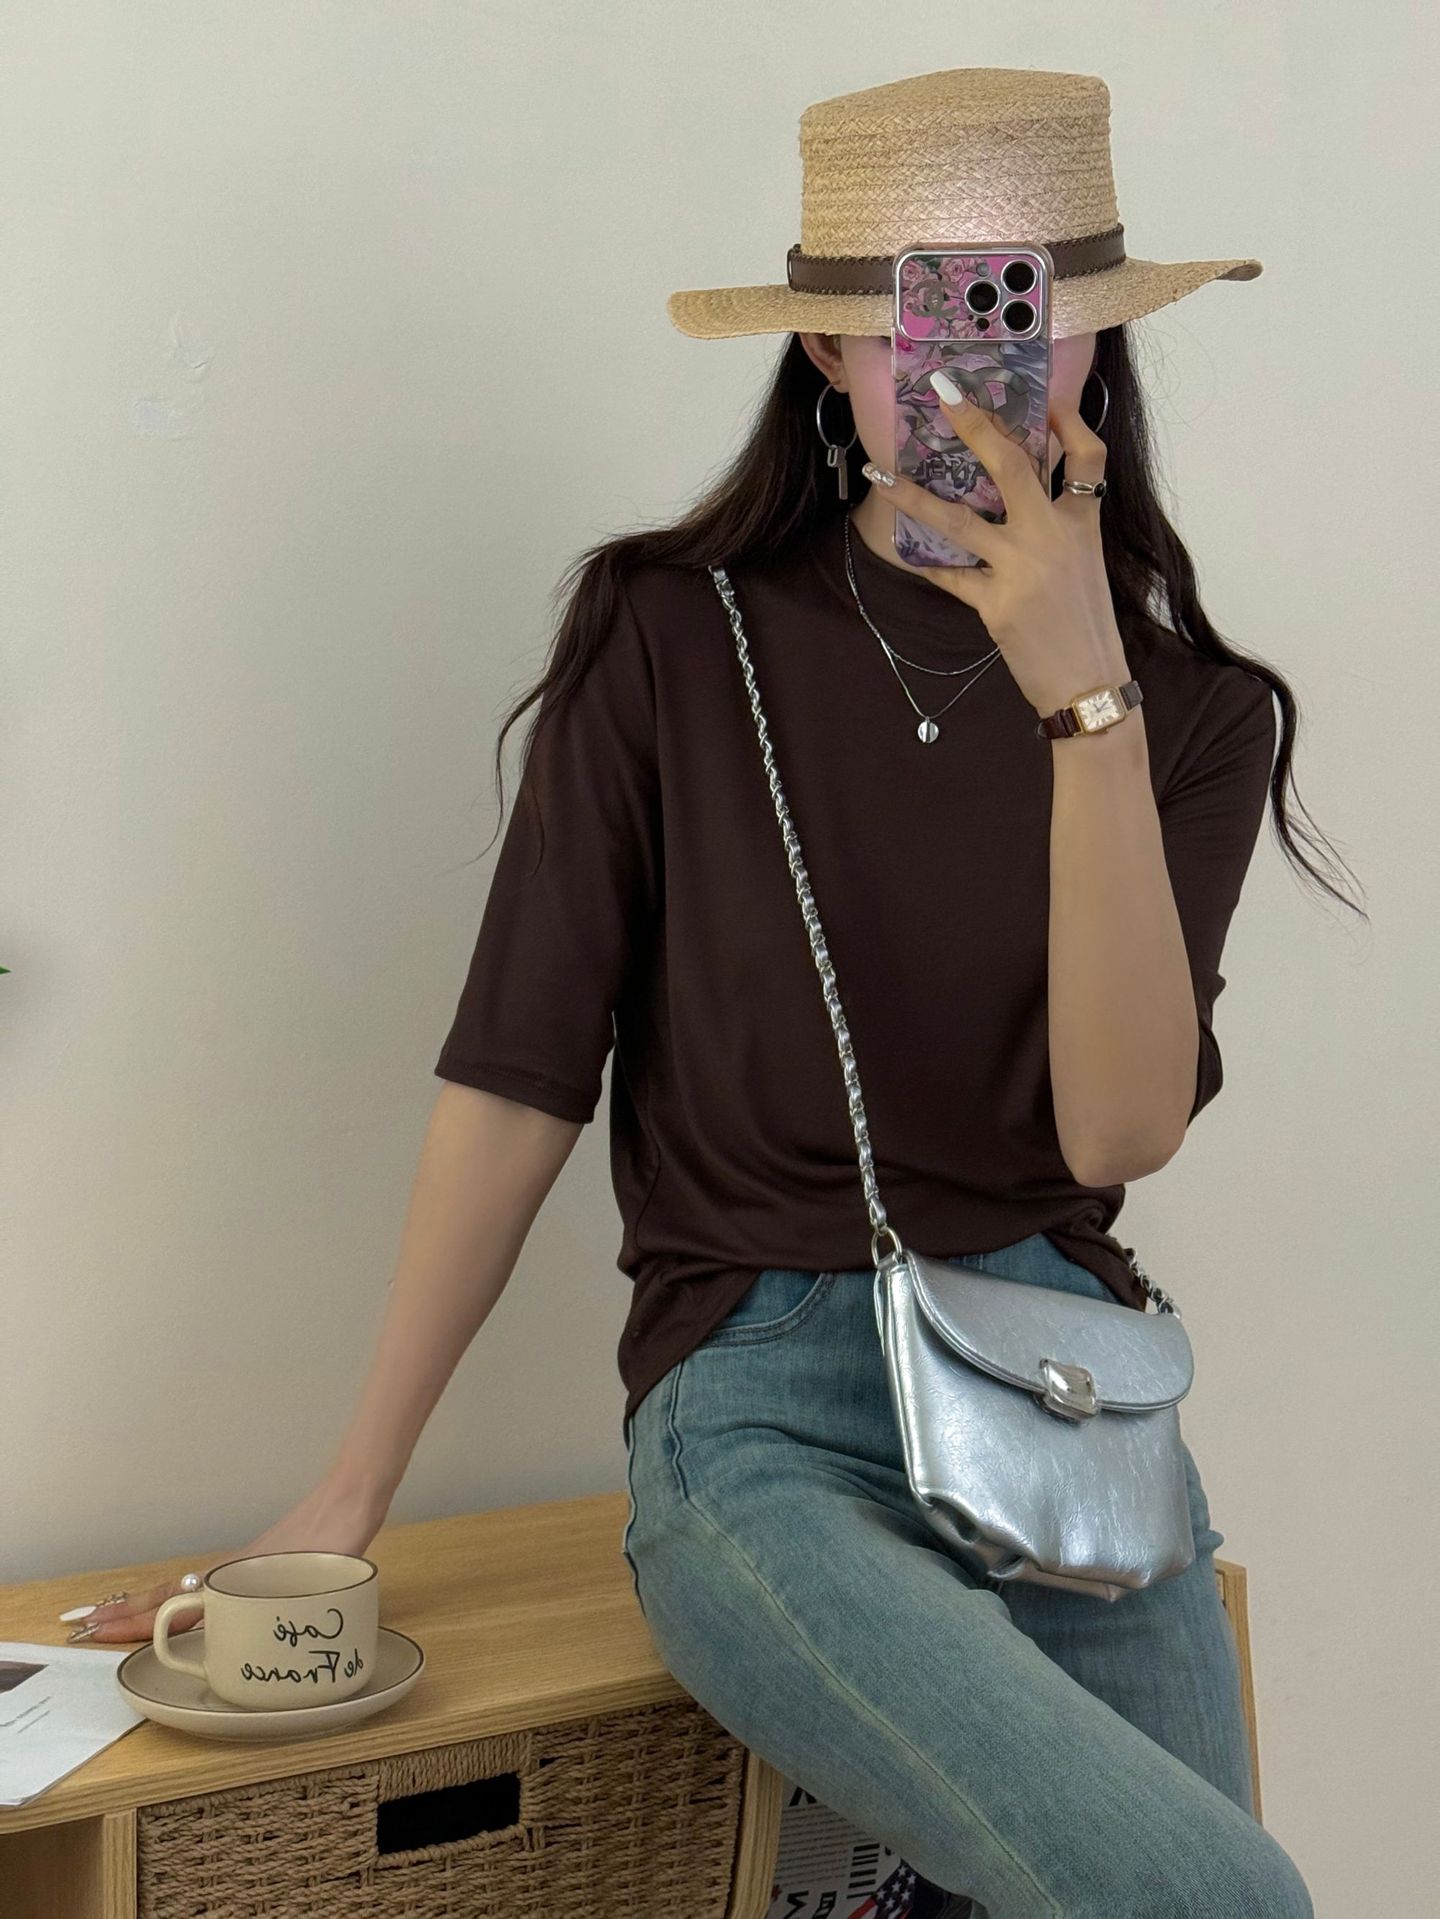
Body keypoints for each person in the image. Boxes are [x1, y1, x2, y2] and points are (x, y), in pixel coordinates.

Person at [67, 68, 1356, 1919]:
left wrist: (1086, 702)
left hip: (1069, 1408)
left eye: (1023, 315)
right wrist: (351, 1488)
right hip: (763, 1409)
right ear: (826, 347)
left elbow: (1119, 1130)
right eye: (914, 320)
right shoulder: (674, 634)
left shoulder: (1195, 713)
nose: (968, 377)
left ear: (1094, 343)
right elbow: (521, 1073)